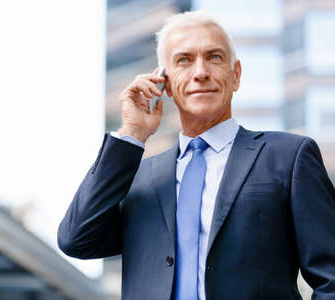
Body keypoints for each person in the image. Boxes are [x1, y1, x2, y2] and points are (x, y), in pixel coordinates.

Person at [57, 10, 335, 300]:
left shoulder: (289, 158)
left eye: (214, 57)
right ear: (163, 82)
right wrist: (131, 134)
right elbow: (76, 240)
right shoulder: (137, 178)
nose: (200, 72)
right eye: (184, 60)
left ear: (235, 74)